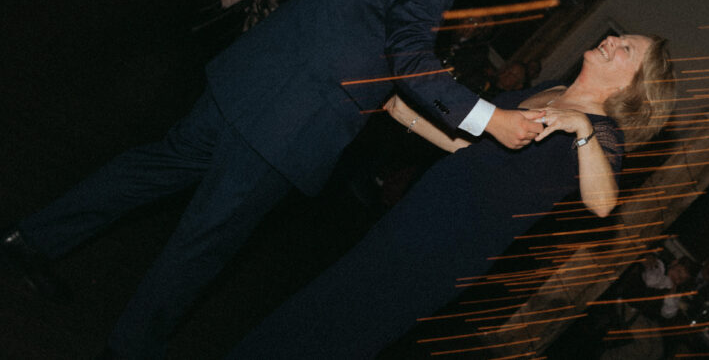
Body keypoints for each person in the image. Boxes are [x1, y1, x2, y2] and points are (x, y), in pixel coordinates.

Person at [0, 0, 545, 358]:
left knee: (152, 168)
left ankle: (32, 239)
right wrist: (491, 118)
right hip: (290, 118)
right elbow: (413, 61)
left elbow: (358, 14)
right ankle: (130, 347)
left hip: (256, 78)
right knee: (205, 242)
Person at [226, 34, 675, 360]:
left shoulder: (603, 132)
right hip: (420, 213)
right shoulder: (552, 91)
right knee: (318, 304)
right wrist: (403, 112)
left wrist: (581, 128)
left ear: (630, 86)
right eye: (619, 36)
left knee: (343, 334)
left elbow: (603, 202)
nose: (612, 40)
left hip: (447, 248)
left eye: (626, 49)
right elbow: (468, 147)